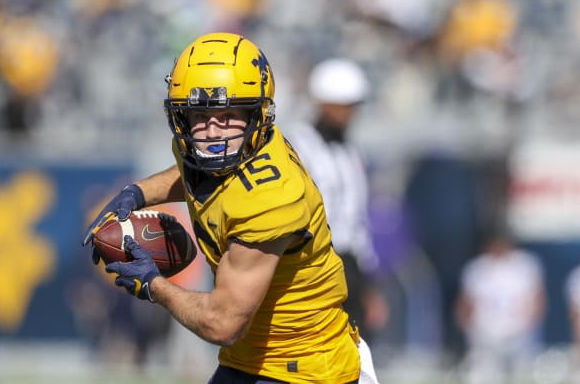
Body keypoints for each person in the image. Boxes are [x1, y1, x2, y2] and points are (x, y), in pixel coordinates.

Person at [82, 33, 380, 384]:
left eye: (228, 115)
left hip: (307, 367)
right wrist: (139, 192)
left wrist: (153, 285)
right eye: (200, 115)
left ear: (258, 115)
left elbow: (222, 323)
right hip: (249, 358)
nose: (212, 132)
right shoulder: (214, 148)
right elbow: (192, 171)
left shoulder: (272, 197)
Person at [283, 58, 388, 340]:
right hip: (312, 260)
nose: (348, 114)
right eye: (342, 105)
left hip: (348, 264)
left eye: (352, 106)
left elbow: (357, 221)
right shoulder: (297, 145)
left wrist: (368, 284)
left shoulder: (351, 153)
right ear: (322, 103)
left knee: (354, 350)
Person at [454, 232, 546, 384]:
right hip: (485, 333)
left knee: (522, 375)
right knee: (483, 376)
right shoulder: (477, 268)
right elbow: (465, 303)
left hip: (518, 332)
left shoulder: (525, 265)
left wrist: (529, 324)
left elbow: (538, 299)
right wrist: (469, 329)